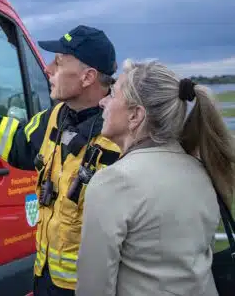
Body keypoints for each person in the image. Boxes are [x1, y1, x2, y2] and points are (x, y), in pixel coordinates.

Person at [0, 25, 121, 295]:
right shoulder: (54, 117)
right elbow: (19, 144)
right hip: (46, 280)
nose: (48, 69)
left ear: (88, 77)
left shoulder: (119, 136)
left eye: (59, 62)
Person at [76, 59, 235, 296]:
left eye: (113, 96)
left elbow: (93, 288)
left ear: (135, 115)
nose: (102, 102)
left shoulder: (114, 182)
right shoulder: (201, 170)